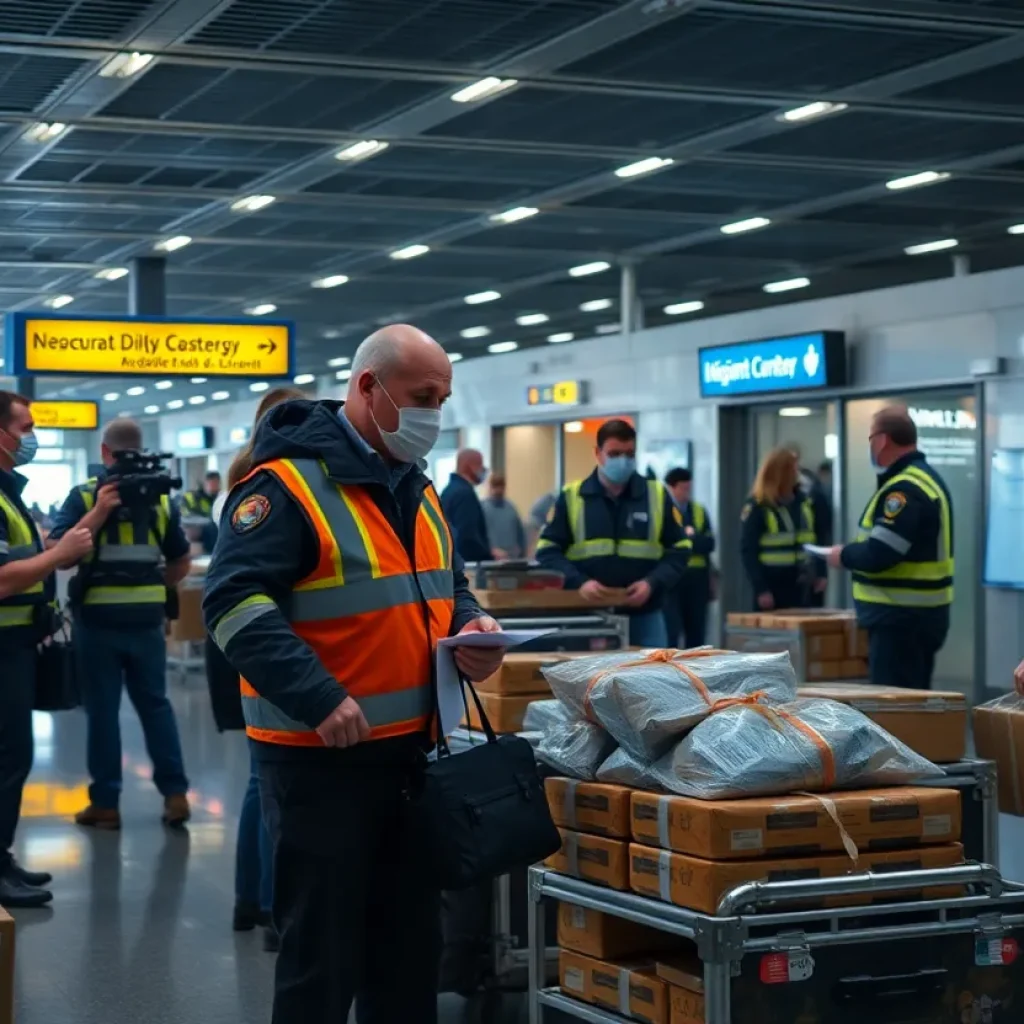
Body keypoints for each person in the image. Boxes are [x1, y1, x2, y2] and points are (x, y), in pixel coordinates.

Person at [203, 324, 506, 1023]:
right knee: (322, 962)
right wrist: (317, 695)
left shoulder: (417, 488)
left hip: (411, 758)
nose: (433, 413)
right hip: (322, 767)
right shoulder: (285, 488)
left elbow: (444, 585)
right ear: (367, 388)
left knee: (408, 960)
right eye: (422, 396)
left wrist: (473, 626)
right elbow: (232, 601)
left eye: (443, 398)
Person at [49, 418, 192, 830]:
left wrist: (95, 513)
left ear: (105, 453)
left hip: (99, 624)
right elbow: (180, 561)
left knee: (104, 714)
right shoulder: (162, 500)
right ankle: (175, 794)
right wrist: (151, 586)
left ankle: (106, 804)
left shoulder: (82, 496)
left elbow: (62, 553)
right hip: (147, 623)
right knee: (156, 707)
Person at [205, 386, 304, 951]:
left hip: (237, 647)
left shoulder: (243, 478)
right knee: (273, 786)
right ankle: (271, 906)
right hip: (266, 645)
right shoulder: (271, 489)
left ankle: (250, 900)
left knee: (254, 780)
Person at [0, 391, 93, 906]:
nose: (31, 436)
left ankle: (2, 855)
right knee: (9, 755)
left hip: (16, 644)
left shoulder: (9, 491)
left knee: (14, 754)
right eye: (25, 426)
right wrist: (59, 553)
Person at [827, 405, 953, 689]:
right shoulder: (926, 479)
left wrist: (843, 555)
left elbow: (881, 553)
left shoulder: (904, 489)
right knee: (912, 707)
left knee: (896, 711)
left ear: (882, 440)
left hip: (900, 621)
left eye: (870, 439)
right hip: (916, 620)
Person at [536, 418, 690, 647]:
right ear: (598, 454)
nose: (623, 461)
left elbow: (680, 549)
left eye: (629, 454)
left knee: (651, 678)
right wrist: (579, 582)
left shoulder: (655, 495)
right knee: (591, 681)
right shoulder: (572, 496)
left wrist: (652, 582)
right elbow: (547, 551)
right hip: (588, 614)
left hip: (645, 613)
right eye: (615, 454)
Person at [740, 447, 825, 612]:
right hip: (772, 585)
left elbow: (818, 540)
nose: (797, 473)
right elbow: (748, 551)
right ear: (782, 473)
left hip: (804, 583)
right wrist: (761, 588)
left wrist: (821, 573)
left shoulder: (805, 503)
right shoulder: (758, 506)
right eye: (793, 469)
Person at [662, 467, 715, 648]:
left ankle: (696, 672)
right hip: (673, 581)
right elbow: (666, 546)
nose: (687, 493)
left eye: (689, 488)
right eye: (683, 488)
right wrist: (691, 540)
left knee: (696, 632)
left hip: (697, 580)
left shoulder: (699, 511)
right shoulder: (663, 511)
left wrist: (689, 538)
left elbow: (709, 544)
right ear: (671, 488)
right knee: (671, 632)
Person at [440, 448, 496, 562]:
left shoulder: (448, 491)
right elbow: (467, 536)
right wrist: (488, 556)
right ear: (469, 466)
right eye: (480, 465)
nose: (483, 470)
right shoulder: (464, 494)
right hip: (466, 566)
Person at [481, 473, 525, 559]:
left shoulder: (511, 509)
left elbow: (520, 535)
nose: (498, 490)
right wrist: (491, 550)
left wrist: (521, 551)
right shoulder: (481, 509)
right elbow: (477, 537)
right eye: (495, 486)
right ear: (488, 487)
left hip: (511, 558)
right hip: (490, 559)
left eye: (500, 486)